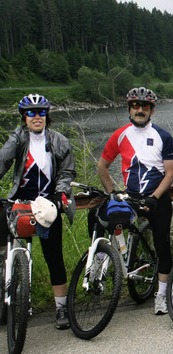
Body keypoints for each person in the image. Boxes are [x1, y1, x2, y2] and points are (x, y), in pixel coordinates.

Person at [96, 87, 173, 315]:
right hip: (129, 198)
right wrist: (113, 192)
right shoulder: (120, 135)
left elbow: (170, 174)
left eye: (145, 106)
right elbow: (102, 166)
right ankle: (99, 266)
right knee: (100, 219)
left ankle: (161, 296)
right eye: (136, 106)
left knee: (162, 246)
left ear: (152, 110)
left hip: (157, 198)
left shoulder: (164, 136)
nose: (140, 110)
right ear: (130, 109)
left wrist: (154, 198)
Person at [0, 94, 76, 329]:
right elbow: (2, 162)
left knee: (54, 256)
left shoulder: (58, 140)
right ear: (24, 117)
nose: (36, 117)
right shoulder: (18, 138)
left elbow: (67, 172)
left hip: (48, 204)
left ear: (47, 116)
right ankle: (5, 301)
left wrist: (59, 194)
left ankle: (61, 308)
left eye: (41, 112)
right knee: (3, 247)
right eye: (31, 113)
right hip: (20, 202)